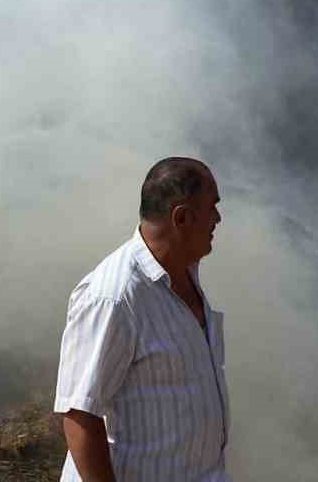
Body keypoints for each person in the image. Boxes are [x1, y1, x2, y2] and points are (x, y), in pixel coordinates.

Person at [54, 158, 229, 482]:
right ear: (182, 217)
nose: (218, 218)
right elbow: (80, 417)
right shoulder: (113, 297)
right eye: (212, 207)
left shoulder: (184, 273)